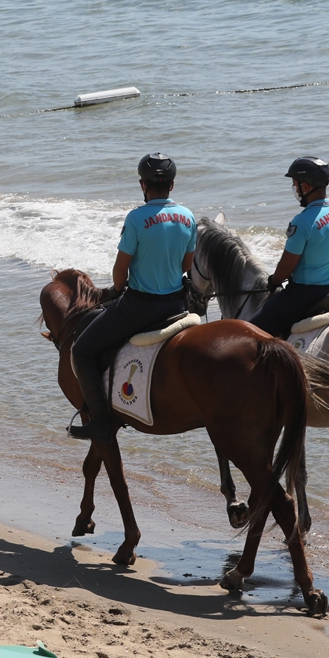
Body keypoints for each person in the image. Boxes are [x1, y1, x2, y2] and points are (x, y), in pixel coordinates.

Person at [68, 153, 198, 443]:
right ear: (172, 186)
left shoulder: (136, 218)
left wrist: (116, 289)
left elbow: (120, 270)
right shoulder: (188, 217)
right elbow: (186, 266)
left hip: (140, 307)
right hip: (177, 305)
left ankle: (100, 422)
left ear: (143, 185)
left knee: (82, 351)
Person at [248, 156, 329, 338]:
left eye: (295, 184)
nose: (295, 189)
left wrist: (273, 281)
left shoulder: (302, 221)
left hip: (305, 296)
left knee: (250, 334)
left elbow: (286, 268)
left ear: (305, 186)